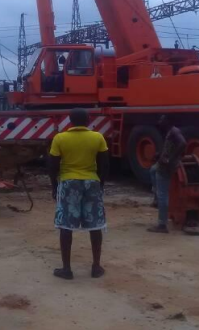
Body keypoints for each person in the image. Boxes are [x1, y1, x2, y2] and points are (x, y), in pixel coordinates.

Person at [48, 108, 110, 280]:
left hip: (68, 183)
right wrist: (100, 184)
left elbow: (52, 166)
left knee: (66, 226)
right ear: (88, 120)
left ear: (70, 121)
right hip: (92, 182)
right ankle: (96, 267)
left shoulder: (60, 138)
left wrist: (54, 187)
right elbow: (104, 164)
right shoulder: (97, 137)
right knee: (95, 225)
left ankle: (66, 269)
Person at [148, 115, 187, 233]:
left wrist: (170, 158)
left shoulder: (174, 131)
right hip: (163, 165)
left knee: (162, 195)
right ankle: (155, 196)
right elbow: (170, 147)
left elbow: (183, 144)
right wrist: (160, 155)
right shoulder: (170, 132)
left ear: (168, 121)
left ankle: (162, 225)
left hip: (166, 167)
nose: (159, 121)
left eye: (162, 119)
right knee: (152, 170)